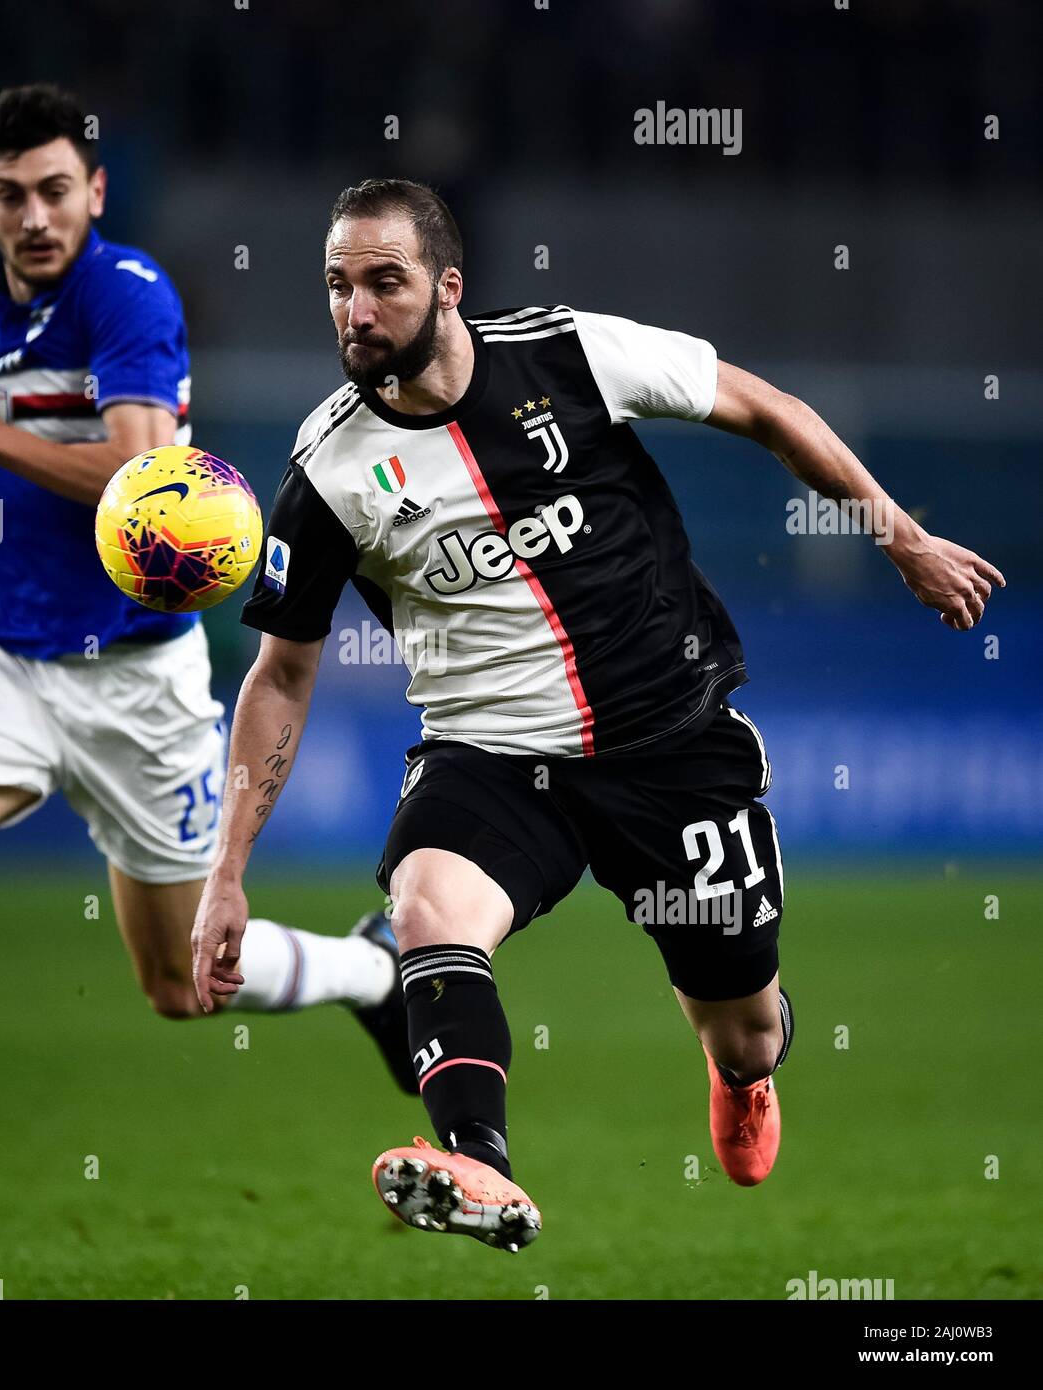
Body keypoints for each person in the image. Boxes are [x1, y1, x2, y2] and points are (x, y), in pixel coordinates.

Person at [191, 177, 1006, 1251]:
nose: (356, 309)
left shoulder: (569, 353)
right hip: (489, 757)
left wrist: (901, 539)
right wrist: (226, 870)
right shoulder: (326, 471)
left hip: (670, 743)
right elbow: (280, 674)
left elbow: (767, 410)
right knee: (429, 906)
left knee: (747, 1027)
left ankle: (738, 1074)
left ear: (447, 287)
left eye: (383, 282)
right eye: (337, 286)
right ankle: (478, 1162)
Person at [0, 92, 412, 1266]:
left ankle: (371, 970)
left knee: (183, 988)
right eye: (10, 194)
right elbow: (7, 407)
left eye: (56, 189)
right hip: (0, 658)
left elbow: (135, 475)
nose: (35, 215)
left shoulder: (126, 296)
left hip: (136, 681)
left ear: (96, 192)